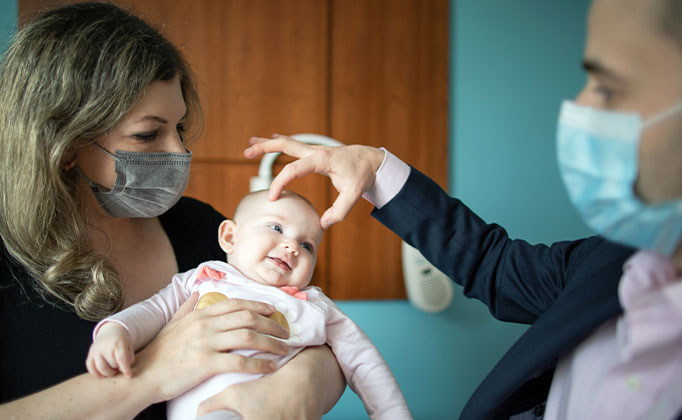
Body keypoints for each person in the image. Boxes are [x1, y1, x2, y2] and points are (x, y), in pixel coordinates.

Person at [243, 0, 682, 418]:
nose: (579, 107)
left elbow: (363, 367)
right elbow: (496, 264)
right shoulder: (619, 260)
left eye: (608, 87)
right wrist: (376, 168)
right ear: (229, 235)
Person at [0, 3, 345, 419]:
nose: (179, 152)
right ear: (62, 146)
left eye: (178, 128)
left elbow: (318, 333)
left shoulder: (202, 230)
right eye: (147, 135)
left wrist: (300, 387)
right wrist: (150, 375)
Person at [87, 190, 412, 420]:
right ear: (229, 237)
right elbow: (154, 310)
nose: (291, 246)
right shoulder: (202, 278)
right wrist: (117, 331)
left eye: (307, 245)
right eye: (277, 227)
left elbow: (363, 362)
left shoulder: (315, 306)